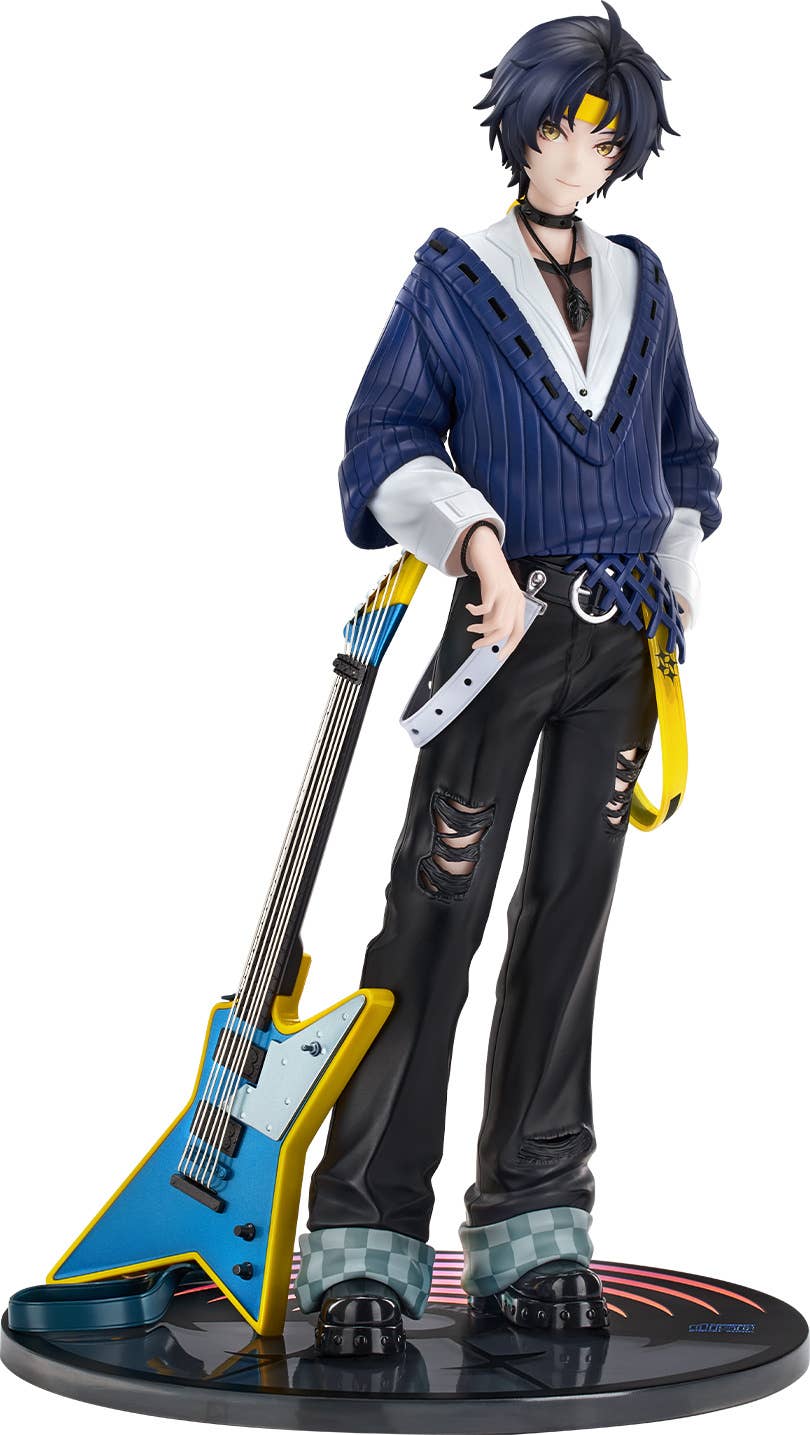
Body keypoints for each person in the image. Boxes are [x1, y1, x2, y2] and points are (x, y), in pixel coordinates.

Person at [294, 2, 721, 1357]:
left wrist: (677, 575)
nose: (576, 156)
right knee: (433, 913)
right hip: (499, 636)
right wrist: (473, 540)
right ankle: (363, 1229)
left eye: (602, 138)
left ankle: (536, 1217)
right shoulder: (452, 277)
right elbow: (382, 437)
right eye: (559, 129)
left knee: (570, 921)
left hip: (619, 643)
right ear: (519, 128)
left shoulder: (644, 281)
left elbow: (685, 454)